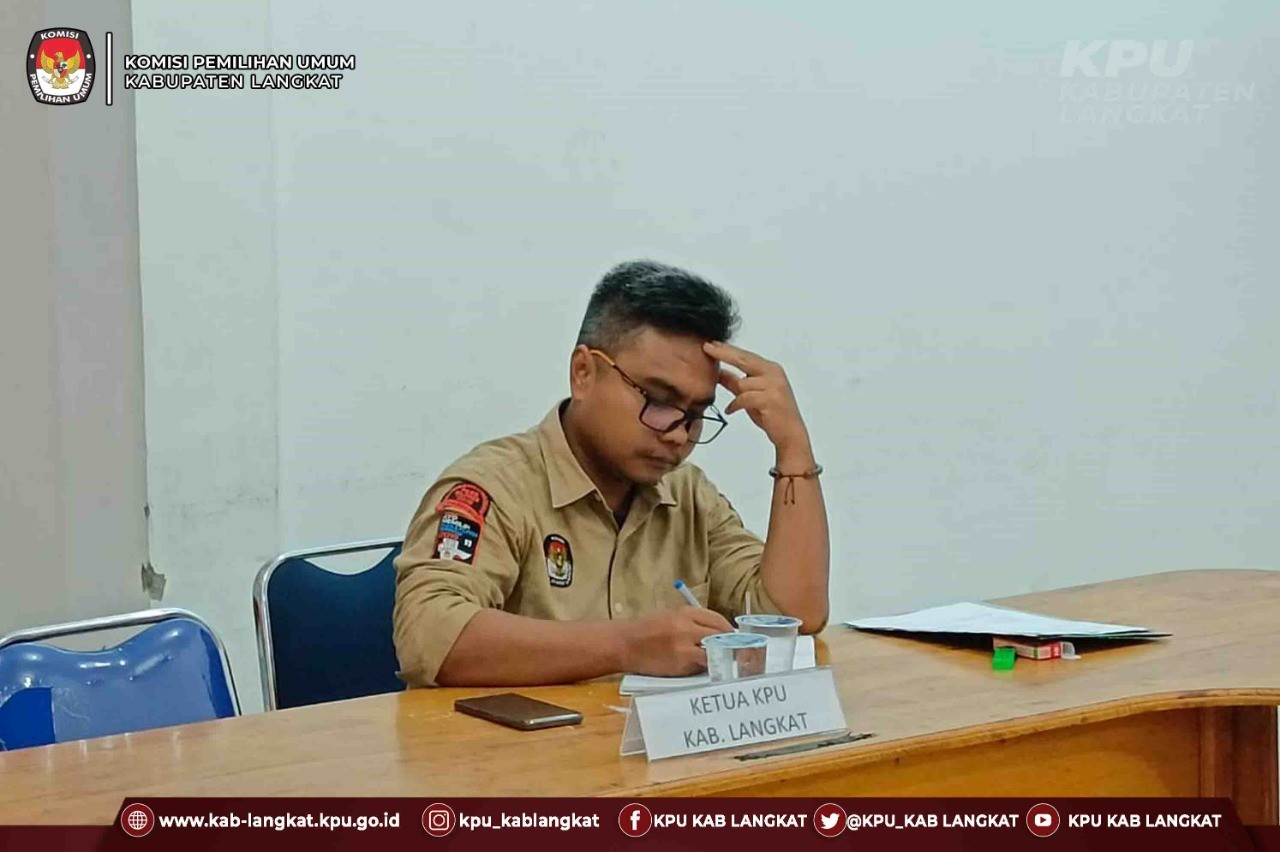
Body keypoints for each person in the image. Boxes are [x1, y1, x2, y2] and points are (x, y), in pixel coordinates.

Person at [393, 260, 829, 687]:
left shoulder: (688, 495)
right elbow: (430, 634)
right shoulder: (495, 486)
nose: (679, 434)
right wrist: (627, 646)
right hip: (514, 736)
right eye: (659, 400)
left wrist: (793, 449)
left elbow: (791, 617)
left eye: (697, 413)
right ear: (583, 373)